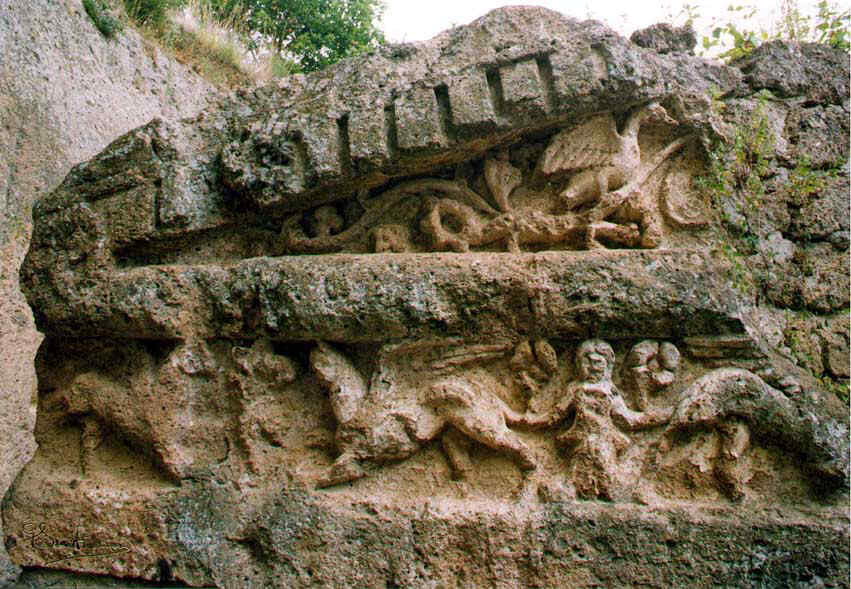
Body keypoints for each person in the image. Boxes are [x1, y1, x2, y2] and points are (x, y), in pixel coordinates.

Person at [506, 339, 671, 500]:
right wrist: (524, 420)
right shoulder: (575, 389)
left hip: (605, 439)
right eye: (587, 362)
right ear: (578, 365)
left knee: (605, 464)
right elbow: (555, 415)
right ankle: (574, 488)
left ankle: (611, 487)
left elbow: (628, 419)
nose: (593, 367)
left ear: (608, 366)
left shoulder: (610, 391)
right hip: (581, 438)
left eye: (598, 363)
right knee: (579, 465)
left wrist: (664, 415)